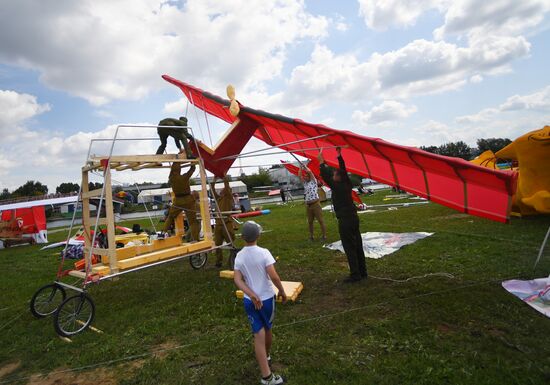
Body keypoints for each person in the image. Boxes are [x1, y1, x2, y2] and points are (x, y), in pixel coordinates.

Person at [233, 221, 286, 385]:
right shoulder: (264, 253)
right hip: (267, 300)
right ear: (259, 235)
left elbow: (237, 279)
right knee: (267, 330)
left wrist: (250, 294)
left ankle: (266, 371)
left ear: (242, 237)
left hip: (250, 301)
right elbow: (274, 276)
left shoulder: (239, 256)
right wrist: (282, 291)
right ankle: (267, 372)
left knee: (258, 334)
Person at [318, 147, 367, 283]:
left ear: (338, 178)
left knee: (349, 247)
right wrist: (339, 156)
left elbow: (326, 177)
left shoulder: (338, 186)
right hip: (353, 218)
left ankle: (355, 275)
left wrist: (321, 162)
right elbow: (344, 172)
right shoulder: (347, 184)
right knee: (357, 244)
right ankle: (363, 271)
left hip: (345, 220)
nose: (333, 175)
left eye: (335, 174)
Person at [162, 158, 200, 241]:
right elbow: (193, 169)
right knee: (193, 221)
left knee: (170, 217)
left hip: (178, 201)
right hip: (188, 199)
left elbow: (173, 169)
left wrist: (177, 161)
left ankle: (162, 233)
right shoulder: (184, 177)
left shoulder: (171, 178)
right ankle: (196, 239)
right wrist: (192, 162)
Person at [210, 175, 235, 267]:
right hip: (218, 225)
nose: (222, 190)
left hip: (226, 223)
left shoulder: (228, 198)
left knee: (230, 243)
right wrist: (214, 181)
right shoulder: (218, 199)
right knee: (217, 244)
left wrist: (224, 179)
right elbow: (212, 192)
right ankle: (218, 261)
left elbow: (227, 188)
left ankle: (232, 259)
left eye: (224, 189)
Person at [299, 167, 327, 241]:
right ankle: (311, 237)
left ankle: (324, 236)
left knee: (320, 220)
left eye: (306, 176)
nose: (305, 177)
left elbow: (310, 172)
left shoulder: (314, 182)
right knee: (310, 222)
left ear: (309, 177)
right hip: (308, 206)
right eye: (304, 176)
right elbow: (299, 176)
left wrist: (305, 167)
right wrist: (300, 168)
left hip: (316, 204)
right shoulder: (305, 184)